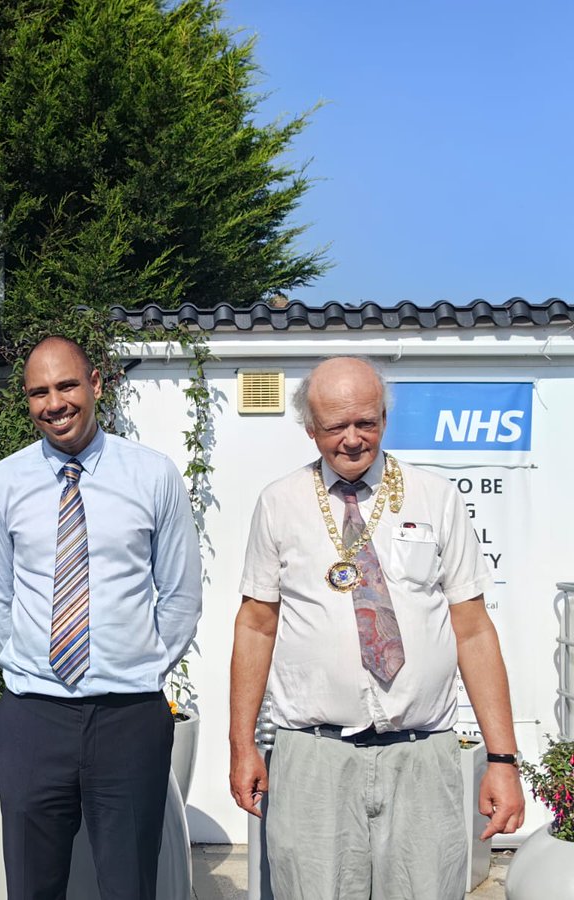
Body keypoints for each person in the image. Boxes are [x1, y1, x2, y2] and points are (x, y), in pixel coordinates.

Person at [229, 356, 525, 899]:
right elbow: (255, 625)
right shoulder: (279, 503)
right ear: (309, 428)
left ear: (385, 418)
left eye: (365, 422)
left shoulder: (436, 498)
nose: (351, 440)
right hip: (313, 758)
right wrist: (241, 742)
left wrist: (502, 759)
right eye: (334, 426)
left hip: (422, 757)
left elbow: (474, 630)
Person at [0, 336, 203, 900]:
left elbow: (179, 596)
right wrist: (26, 665)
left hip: (128, 717)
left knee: (129, 885)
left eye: (67, 385)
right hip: (34, 718)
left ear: (96, 384)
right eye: (38, 392)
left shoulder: (153, 476)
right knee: (30, 886)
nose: (54, 403)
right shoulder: (4, 482)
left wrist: (137, 664)